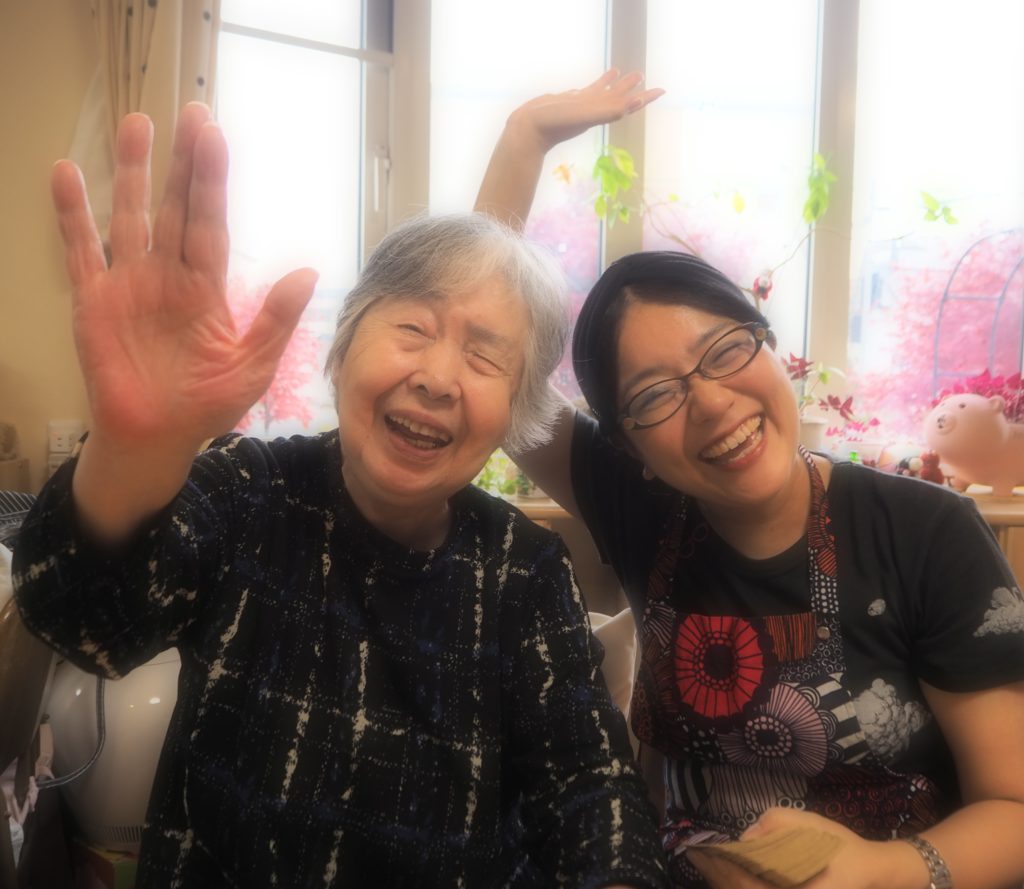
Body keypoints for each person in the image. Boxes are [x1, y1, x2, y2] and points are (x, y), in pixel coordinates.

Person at [12, 99, 671, 887]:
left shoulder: (524, 569)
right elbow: (83, 622)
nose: (437, 377)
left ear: (516, 416)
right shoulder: (252, 490)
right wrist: (130, 452)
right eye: (413, 329)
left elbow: (590, 787)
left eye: (484, 356)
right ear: (344, 347)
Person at [475, 75, 1024, 888]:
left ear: (769, 346)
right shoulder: (640, 507)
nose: (711, 403)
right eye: (655, 395)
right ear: (627, 444)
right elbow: (489, 356)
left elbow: (1013, 808)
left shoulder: (925, 532)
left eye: (726, 349)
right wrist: (525, 137)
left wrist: (880, 870)